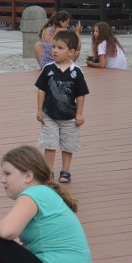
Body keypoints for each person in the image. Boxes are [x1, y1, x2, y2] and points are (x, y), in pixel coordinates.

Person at [36, 30, 89, 184]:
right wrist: (39, 110)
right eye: (53, 47)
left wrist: (79, 113)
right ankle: (49, 171)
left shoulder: (76, 72)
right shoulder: (48, 69)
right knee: (50, 143)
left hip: (69, 116)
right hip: (50, 114)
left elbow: (81, 94)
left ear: (71, 52)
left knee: (68, 144)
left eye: (60, 48)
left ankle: (65, 170)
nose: (55, 51)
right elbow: (41, 90)